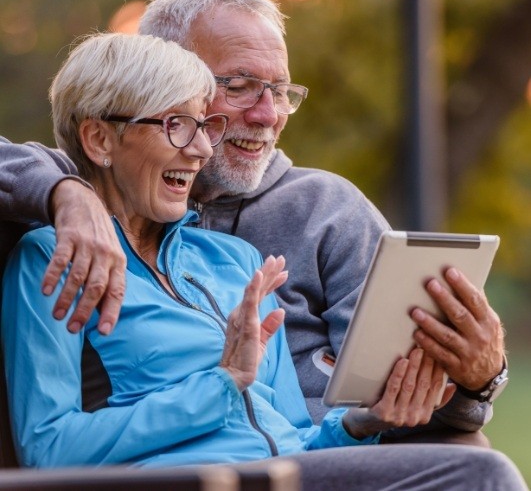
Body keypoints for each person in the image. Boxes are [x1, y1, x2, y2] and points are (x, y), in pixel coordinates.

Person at [3, 31, 527, 491]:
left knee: (467, 464)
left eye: (205, 126)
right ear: (99, 139)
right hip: (183, 481)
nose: (202, 150)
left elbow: (292, 440)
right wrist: (221, 383)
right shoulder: (50, 257)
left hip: (283, 477)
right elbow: (50, 449)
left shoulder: (235, 262)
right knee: (480, 477)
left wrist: (361, 424)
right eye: (177, 126)